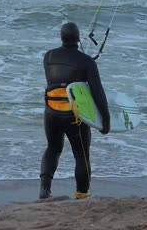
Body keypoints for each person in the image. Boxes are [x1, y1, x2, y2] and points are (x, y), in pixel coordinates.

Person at [40, 22, 110, 199]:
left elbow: (60, 78)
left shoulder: (48, 57)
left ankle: (45, 189)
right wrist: (106, 120)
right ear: (78, 39)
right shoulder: (87, 62)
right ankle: (81, 194)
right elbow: (97, 92)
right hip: (74, 116)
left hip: (52, 112)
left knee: (53, 148)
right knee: (81, 154)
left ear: (61, 37)